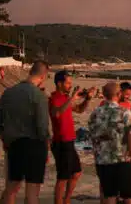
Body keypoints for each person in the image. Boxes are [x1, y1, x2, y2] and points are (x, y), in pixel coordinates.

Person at [0, 60, 50, 204]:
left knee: (11, 189)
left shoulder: (9, 92)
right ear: (43, 76)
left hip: (14, 145)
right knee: (32, 194)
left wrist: (4, 138)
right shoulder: (39, 96)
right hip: (35, 146)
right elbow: (42, 128)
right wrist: (47, 145)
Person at [49, 71, 96, 204]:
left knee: (76, 173)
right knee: (62, 178)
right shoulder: (54, 98)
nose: (70, 85)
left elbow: (80, 110)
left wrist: (88, 98)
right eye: (68, 83)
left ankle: (67, 200)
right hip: (61, 143)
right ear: (59, 83)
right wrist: (72, 97)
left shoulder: (65, 98)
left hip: (70, 142)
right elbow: (56, 113)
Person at [89, 82, 131, 204]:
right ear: (118, 94)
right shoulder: (125, 113)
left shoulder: (95, 113)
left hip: (103, 160)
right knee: (128, 196)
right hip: (121, 160)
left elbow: (93, 137)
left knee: (109, 195)